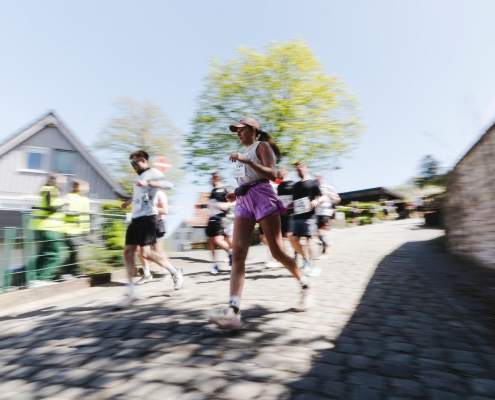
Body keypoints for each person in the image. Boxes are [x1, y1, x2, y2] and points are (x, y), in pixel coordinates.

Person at [208, 118, 314, 330]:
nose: (238, 133)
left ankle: (305, 284)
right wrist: (235, 193)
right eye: (236, 131)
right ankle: (233, 311)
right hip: (244, 202)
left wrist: (247, 161)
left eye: (241, 129)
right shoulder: (244, 154)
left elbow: (272, 175)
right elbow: (248, 181)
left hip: (263, 198)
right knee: (238, 254)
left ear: (253, 130)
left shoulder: (261, 146)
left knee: (277, 252)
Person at [118, 150, 183, 307]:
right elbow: (140, 195)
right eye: (131, 163)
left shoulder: (153, 173)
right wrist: (129, 202)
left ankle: (174, 271)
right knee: (127, 252)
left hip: (148, 217)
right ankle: (131, 292)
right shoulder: (138, 177)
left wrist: (149, 183)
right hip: (136, 217)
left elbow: (169, 185)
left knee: (145, 253)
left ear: (143, 160)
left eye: (134, 162)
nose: (133, 166)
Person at [289, 161, 327, 277]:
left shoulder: (312, 183)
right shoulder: (295, 185)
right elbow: (294, 202)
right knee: (293, 240)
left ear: (306, 168)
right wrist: (285, 207)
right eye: (296, 169)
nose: (298, 170)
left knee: (310, 240)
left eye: (300, 168)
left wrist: (316, 201)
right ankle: (306, 260)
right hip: (297, 217)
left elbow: (322, 197)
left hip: (309, 216)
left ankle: (316, 267)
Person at [31, 172, 68, 281]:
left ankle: (35, 278)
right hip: (49, 227)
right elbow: (51, 207)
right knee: (56, 255)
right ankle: (44, 279)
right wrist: (64, 202)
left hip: (43, 226)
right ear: (55, 180)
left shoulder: (46, 189)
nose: (65, 181)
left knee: (45, 254)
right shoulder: (52, 190)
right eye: (63, 179)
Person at [195, 173, 234, 275]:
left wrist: (226, 205)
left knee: (218, 240)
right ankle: (215, 265)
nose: (210, 181)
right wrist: (202, 206)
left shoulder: (225, 190)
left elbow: (236, 201)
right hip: (211, 219)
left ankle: (231, 253)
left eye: (211, 179)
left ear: (217, 179)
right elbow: (212, 205)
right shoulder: (213, 191)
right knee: (210, 242)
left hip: (220, 219)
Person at [135, 189, 171, 284]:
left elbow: (165, 210)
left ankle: (168, 270)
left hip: (156, 224)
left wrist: (151, 208)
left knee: (158, 251)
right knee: (141, 251)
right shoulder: (144, 194)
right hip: (145, 225)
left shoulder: (160, 194)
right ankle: (147, 274)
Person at [63, 179, 91, 276]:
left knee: (76, 251)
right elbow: (65, 211)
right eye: (86, 186)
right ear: (78, 187)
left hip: (81, 230)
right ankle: (69, 272)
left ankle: (73, 271)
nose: (88, 188)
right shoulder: (69, 197)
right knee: (74, 250)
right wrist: (81, 212)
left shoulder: (85, 199)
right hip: (70, 229)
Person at [314, 173, 340, 255]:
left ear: (322, 178)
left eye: (319, 177)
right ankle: (325, 243)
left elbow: (338, 200)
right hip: (316, 212)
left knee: (320, 231)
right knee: (316, 232)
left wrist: (332, 197)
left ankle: (325, 245)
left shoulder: (329, 188)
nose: (317, 179)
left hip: (325, 211)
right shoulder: (313, 188)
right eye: (316, 178)